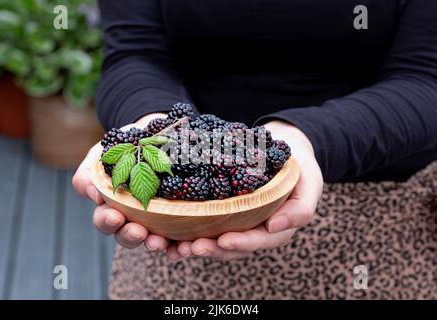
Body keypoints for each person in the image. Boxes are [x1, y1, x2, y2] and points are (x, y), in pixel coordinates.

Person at [73, 0, 437, 299]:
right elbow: (137, 53)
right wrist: (154, 125)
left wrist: (303, 138)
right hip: (184, 221)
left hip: (381, 217)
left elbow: (425, 77)